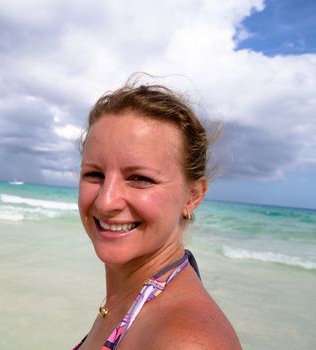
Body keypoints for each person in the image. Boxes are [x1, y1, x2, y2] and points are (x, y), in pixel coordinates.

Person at [74, 77, 241, 349]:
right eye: (94, 174)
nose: (106, 202)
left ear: (193, 196)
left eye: (140, 178)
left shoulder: (187, 340)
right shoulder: (128, 299)